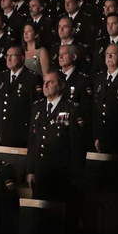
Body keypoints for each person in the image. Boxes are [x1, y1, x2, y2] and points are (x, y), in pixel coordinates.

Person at [27, 71, 88, 201]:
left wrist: (76, 175)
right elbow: (33, 141)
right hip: (41, 171)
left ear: (61, 86)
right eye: (44, 82)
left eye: (51, 82)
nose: (46, 85)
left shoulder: (73, 108)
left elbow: (77, 145)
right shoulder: (37, 107)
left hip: (61, 171)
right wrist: (30, 170)